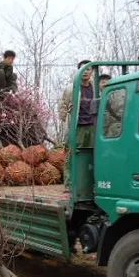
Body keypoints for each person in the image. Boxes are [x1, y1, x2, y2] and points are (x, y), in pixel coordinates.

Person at [59, 59, 95, 187]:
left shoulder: (95, 87)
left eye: (88, 69)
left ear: (92, 71)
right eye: (82, 69)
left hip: (92, 126)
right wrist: (66, 119)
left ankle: (88, 183)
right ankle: (69, 183)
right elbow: (62, 105)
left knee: (91, 154)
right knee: (72, 154)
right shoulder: (71, 88)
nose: (85, 72)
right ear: (78, 71)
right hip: (77, 126)